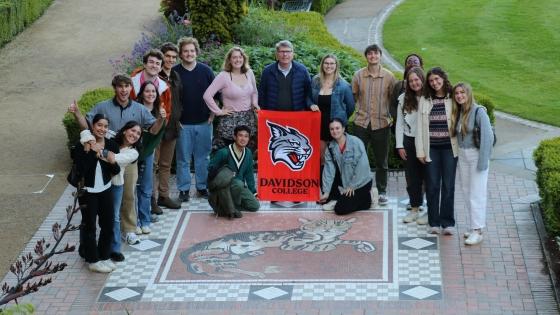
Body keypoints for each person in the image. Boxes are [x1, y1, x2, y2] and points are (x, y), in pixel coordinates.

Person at [68, 74, 162, 245]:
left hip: (127, 159)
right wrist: (76, 113)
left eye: (127, 86)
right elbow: (87, 124)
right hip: (104, 159)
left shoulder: (140, 108)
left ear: (131, 88)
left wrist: (162, 118)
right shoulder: (102, 106)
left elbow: (154, 130)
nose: (124, 90)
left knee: (128, 195)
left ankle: (129, 230)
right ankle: (107, 233)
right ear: (115, 88)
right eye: (120, 86)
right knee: (105, 196)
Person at [74, 114, 120, 273]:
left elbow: (116, 170)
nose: (102, 129)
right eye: (99, 125)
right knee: (90, 226)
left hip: (105, 189)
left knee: (108, 224)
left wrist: (107, 157)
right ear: (92, 126)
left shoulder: (112, 144)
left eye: (106, 126)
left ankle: (104, 256)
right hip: (88, 192)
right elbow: (80, 171)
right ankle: (92, 260)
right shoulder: (82, 145)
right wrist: (90, 152)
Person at [351, 44, 397, 205]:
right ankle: (359, 188)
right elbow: (353, 96)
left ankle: (382, 191)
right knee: (357, 158)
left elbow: (393, 99)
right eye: (369, 54)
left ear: (380, 56)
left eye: (375, 53)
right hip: (361, 123)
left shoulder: (389, 77)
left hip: (382, 123)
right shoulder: (358, 75)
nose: (373, 56)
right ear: (366, 57)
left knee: (381, 161)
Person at [416, 67, 458, 235]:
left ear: (443, 78)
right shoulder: (425, 100)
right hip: (431, 148)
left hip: (449, 149)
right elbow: (419, 127)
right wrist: (420, 151)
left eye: (437, 79)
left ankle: (447, 222)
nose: (434, 83)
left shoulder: (452, 97)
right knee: (432, 185)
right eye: (431, 80)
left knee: (448, 186)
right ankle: (433, 222)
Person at [451, 82, 493, 245]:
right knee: (467, 191)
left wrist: (483, 162)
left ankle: (478, 231)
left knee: (477, 193)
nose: (459, 96)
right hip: (463, 155)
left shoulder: (479, 111)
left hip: (476, 156)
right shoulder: (459, 111)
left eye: (462, 93)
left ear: (468, 94)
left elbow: (487, 138)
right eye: (457, 93)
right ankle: (473, 226)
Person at [173, 37, 215, 202]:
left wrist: (213, 114)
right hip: (183, 124)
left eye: (192, 50)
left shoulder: (206, 71)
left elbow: (216, 95)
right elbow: (170, 99)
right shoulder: (175, 72)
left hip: (204, 122)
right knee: (183, 158)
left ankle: (202, 187)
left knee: (203, 157)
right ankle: (183, 189)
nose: (189, 54)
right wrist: (175, 120)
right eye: (185, 51)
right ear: (181, 54)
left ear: (196, 52)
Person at [203, 46, 259, 151]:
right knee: (230, 153)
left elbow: (255, 92)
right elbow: (207, 95)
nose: (238, 60)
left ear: (244, 58)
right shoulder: (223, 76)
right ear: (229, 60)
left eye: (240, 57)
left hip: (248, 119)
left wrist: (255, 103)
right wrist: (218, 111)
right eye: (234, 57)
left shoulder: (249, 73)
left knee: (247, 152)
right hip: (230, 120)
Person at [154, 42, 184, 214]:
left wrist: (178, 118)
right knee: (153, 164)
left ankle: (163, 195)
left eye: (174, 57)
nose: (171, 60)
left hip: (172, 126)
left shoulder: (176, 76)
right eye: (168, 56)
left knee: (166, 164)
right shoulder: (155, 77)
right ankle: (151, 199)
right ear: (161, 57)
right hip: (157, 126)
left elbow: (179, 101)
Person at [320, 118, 373, 215]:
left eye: (337, 128)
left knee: (340, 209)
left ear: (343, 129)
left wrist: (352, 185)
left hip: (361, 182)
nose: (335, 131)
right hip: (346, 182)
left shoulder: (356, 142)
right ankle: (338, 198)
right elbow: (329, 171)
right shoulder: (331, 147)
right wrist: (326, 192)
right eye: (332, 129)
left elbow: (362, 167)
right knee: (323, 169)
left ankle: (368, 199)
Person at [309, 54, 355, 164]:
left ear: (336, 66)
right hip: (319, 125)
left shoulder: (343, 85)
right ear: (322, 65)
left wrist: (340, 119)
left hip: (335, 126)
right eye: (326, 63)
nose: (328, 66)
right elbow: (308, 98)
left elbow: (351, 107)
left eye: (331, 63)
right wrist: (311, 104)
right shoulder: (315, 81)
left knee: (337, 159)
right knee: (322, 159)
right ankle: (324, 181)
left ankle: (338, 181)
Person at [207, 125, 260, 218]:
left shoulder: (248, 153)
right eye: (240, 135)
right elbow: (210, 168)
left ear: (248, 138)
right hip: (224, 187)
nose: (243, 139)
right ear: (234, 137)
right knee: (238, 184)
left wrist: (254, 192)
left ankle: (226, 207)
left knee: (254, 206)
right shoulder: (223, 152)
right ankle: (226, 206)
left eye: (246, 136)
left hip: (238, 187)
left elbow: (249, 175)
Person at [396, 67, 427, 224]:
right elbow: (399, 124)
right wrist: (399, 145)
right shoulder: (403, 99)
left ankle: (430, 211)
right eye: (411, 81)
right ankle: (414, 208)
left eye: (417, 79)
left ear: (422, 79)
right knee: (413, 178)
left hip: (428, 143)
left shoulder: (430, 97)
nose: (414, 83)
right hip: (409, 142)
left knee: (430, 178)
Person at [136, 81, 167, 235]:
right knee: (133, 186)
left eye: (153, 91)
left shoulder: (158, 111)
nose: (151, 94)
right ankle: (134, 220)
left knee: (146, 186)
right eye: (147, 91)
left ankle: (145, 218)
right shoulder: (135, 109)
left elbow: (155, 133)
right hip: (133, 152)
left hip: (149, 152)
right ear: (141, 93)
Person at [259, 40, 312, 111]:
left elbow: (308, 93)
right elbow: (262, 93)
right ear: (277, 54)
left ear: (293, 53)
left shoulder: (302, 70)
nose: (285, 54)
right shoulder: (267, 71)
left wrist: (310, 105)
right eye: (282, 51)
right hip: (273, 116)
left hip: (296, 115)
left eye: (288, 51)